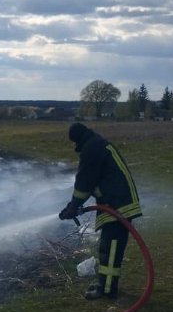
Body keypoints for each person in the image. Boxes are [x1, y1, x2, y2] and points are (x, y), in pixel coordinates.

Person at [59, 122, 142, 299]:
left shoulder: (91, 149)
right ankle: (105, 285)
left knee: (109, 251)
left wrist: (73, 206)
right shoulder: (95, 143)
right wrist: (73, 205)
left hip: (117, 205)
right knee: (108, 248)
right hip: (115, 202)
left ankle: (107, 290)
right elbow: (90, 182)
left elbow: (84, 184)